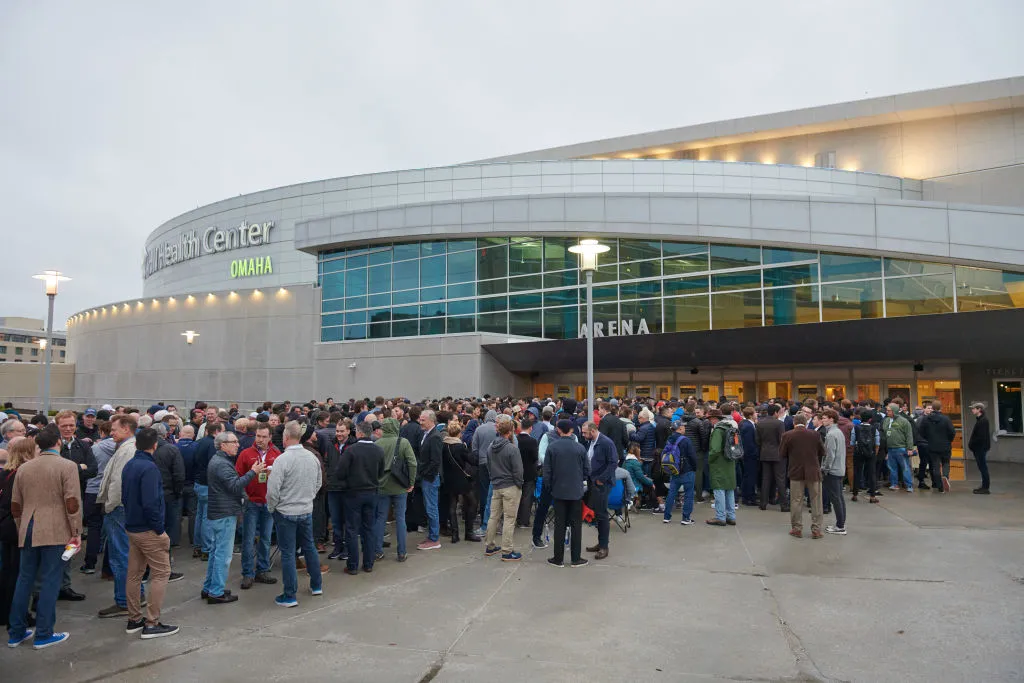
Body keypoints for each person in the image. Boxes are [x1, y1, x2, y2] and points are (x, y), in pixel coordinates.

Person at [7, 426, 81, 649]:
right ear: (58, 442)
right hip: (55, 528)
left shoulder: (25, 468)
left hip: (28, 526)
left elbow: (16, 504)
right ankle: (44, 633)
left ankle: (16, 632)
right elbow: (72, 503)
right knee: (50, 580)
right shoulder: (68, 466)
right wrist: (75, 532)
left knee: (24, 579)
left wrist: (21, 527)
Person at [121, 427, 178, 639]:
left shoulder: (130, 465)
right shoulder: (149, 468)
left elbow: (126, 496)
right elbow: (151, 503)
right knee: (161, 573)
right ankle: (152, 623)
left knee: (134, 574)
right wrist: (160, 530)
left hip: (132, 526)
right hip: (148, 529)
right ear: (154, 445)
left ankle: (134, 618)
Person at [266, 421, 323, 607]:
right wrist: (307, 498)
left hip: (286, 512)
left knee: (288, 553)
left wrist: (272, 507)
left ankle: (289, 595)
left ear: (286, 437)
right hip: (305, 510)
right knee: (309, 547)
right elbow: (318, 482)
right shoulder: (312, 457)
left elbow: (273, 490)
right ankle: (316, 585)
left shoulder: (282, 460)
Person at [203, 430, 263, 604]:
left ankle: (210, 587)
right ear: (223, 445)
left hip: (219, 513)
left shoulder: (220, 461)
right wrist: (253, 472)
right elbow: (235, 485)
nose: (238, 444)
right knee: (223, 554)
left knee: (216, 552)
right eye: (234, 442)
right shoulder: (222, 463)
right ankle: (216, 591)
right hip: (224, 513)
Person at [96, 414, 144, 619]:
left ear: (127, 429)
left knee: (121, 556)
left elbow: (117, 483)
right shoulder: (128, 447)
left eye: (114, 429)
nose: (111, 432)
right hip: (123, 508)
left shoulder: (128, 450)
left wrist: (109, 505)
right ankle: (135, 596)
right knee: (128, 555)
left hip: (119, 509)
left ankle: (125, 601)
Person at [236, 424, 280, 589]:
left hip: (269, 503)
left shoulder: (276, 454)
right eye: (258, 436)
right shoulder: (246, 454)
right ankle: (248, 573)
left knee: (266, 538)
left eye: (263, 437)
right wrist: (244, 496)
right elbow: (238, 477)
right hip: (251, 503)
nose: (260, 440)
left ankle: (262, 570)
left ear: (270, 437)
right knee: (248, 540)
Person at [338, 420, 385, 574]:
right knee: (369, 528)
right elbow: (381, 472)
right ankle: (369, 563)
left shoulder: (351, 451)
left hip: (353, 493)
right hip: (372, 492)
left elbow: (341, 472)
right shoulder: (378, 450)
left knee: (352, 529)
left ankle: (352, 565)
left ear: (358, 432)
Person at [544, 419, 589, 568]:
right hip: (575, 491)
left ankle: (558, 558)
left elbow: (547, 472)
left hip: (558, 491)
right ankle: (576, 558)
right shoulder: (580, 448)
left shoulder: (552, 447)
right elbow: (586, 471)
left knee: (559, 524)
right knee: (576, 525)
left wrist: (550, 487)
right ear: (571, 430)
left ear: (559, 430)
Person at [1, 437, 35, 628]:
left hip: (5, 526)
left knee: (7, 571)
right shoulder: (23, 475)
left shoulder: (6, 472)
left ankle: (5, 612)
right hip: (17, 526)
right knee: (19, 573)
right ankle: (17, 615)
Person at [376, 417, 418, 561]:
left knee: (380, 518)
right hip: (400, 486)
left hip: (382, 486)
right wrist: (411, 482)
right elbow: (412, 463)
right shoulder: (403, 442)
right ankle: (401, 552)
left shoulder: (377, 443)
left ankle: (377, 550)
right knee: (400, 518)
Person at [483, 419, 524, 562]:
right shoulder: (512, 448)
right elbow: (518, 470)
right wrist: (519, 484)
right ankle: (507, 551)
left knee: (493, 516)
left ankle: (489, 545)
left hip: (496, 486)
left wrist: (494, 479)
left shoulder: (490, 447)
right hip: (510, 486)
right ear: (510, 431)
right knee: (509, 519)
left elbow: (488, 466)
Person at [782, 414, 826, 539]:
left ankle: (797, 528)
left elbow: (782, 453)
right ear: (806, 422)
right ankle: (816, 529)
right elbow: (823, 451)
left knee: (796, 500)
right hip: (813, 471)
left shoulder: (787, 435)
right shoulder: (815, 434)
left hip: (796, 471)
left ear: (794, 423)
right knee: (816, 500)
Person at [80, 420, 115, 574]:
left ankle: (90, 563)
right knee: (112, 528)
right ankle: (109, 566)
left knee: (94, 526)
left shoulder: (94, 449)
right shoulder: (122, 448)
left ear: (101, 432)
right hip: (111, 491)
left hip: (93, 489)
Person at [582, 421, 616, 560]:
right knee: (597, 514)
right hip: (593, 482)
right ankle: (601, 543)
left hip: (602, 483)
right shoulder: (591, 442)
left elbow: (613, 462)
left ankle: (604, 547)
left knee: (602, 515)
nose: (583, 435)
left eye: (585, 432)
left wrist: (601, 479)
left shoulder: (606, 443)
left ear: (593, 431)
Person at [440, 421, 477, 545]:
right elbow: (470, 460)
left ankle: (455, 534)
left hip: (449, 479)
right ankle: (469, 532)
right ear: (459, 433)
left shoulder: (444, 445)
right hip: (461, 478)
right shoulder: (460, 446)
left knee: (452, 505)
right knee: (471, 502)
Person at [191, 421, 223, 560]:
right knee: (207, 518)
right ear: (216, 431)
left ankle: (198, 545)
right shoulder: (212, 444)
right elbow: (213, 464)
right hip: (207, 484)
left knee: (200, 515)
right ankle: (206, 548)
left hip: (199, 482)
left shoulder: (200, 442)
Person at [324, 419, 355, 560]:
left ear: (348, 431)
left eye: (342, 431)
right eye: (337, 431)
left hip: (348, 490)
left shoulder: (354, 446)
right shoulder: (330, 445)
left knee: (348, 521)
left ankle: (348, 549)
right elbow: (326, 463)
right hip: (333, 489)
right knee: (336, 521)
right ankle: (338, 547)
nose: (339, 434)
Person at [416, 410, 443, 551]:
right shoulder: (427, 434)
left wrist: (424, 474)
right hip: (427, 477)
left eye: (423, 420)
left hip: (430, 478)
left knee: (432, 508)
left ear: (431, 420)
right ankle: (432, 536)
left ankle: (434, 539)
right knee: (430, 507)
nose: (420, 422)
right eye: (420, 420)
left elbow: (435, 461)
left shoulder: (435, 437)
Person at [705, 409, 738, 527]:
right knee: (729, 489)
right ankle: (731, 516)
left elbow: (715, 449)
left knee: (719, 489)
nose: (709, 422)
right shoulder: (731, 427)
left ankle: (720, 517)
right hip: (730, 462)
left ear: (714, 419)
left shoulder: (718, 430)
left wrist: (709, 459)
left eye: (710, 419)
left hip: (719, 464)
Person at [662, 419, 697, 525]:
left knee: (671, 493)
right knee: (688, 494)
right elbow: (692, 456)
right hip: (687, 470)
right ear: (680, 428)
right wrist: (694, 468)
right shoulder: (686, 440)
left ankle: (667, 517)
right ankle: (685, 518)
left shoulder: (669, 439)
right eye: (684, 426)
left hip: (674, 470)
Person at [819, 409, 847, 536]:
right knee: (839, 498)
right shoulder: (838, 432)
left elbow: (830, 454)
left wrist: (825, 468)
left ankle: (840, 526)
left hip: (833, 470)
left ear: (831, 419)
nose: (822, 420)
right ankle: (840, 524)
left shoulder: (831, 434)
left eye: (825, 418)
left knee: (836, 499)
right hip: (839, 468)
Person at [918, 400, 955, 493]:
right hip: (945, 445)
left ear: (932, 408)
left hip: (932, 445)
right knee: (946, 463)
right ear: (940, 408)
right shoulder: (946, 419)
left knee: (935, 465)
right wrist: (949, 440)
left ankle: (939, 485)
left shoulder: (926, 419)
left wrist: (929, 439)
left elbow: (921, 431)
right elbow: (952, 432)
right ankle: (945, 476)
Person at [755, 404, 787, 511]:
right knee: (780, 479)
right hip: (778, 454)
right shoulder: (779, 424)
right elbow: (782, 440)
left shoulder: (760, 423)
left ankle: (763, 503)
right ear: (775, 413)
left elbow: (758, 440)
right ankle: (784, 505)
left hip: (765, 453)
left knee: (766, 479)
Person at [883, 403, 915, 493]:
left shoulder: (904, 421)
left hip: (901, 448)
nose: (887, 412)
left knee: (905, 468)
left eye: (889, 410)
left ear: (894, 411)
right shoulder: (886, 420)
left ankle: (909, 485)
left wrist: (909, 448)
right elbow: (885, 433)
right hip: (890, 449)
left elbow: (909, 435)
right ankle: (894, 484)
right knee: (892, 468)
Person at [514, 420, 538, 529]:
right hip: (529, 472)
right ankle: (524, 521)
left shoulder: (515, 440)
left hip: (516, 472)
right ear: (531, 428)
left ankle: (516, 518)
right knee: (527, 497)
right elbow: (534, 457)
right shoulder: (532, 441)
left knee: (516, 496)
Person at [738, 406, 760, 507]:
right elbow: (748, 443)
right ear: (751, 415)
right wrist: (755, 453)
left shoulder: (745, 424)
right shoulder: (749, 426)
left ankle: (746, 496)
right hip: (750, 456)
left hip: (747, 455)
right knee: (750, 476)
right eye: (755, 413)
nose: (757, 414)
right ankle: (749, 497)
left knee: (747, 475)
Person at [968, 402, 992, 494]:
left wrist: (972, 444)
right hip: (979, 448)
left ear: (979, 409)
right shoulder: (980, 420)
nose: (972, 410)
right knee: (982, 467)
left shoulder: (983, 421)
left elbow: (981, 436)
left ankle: (985, 487)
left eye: (974, 408)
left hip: (980, 448)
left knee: (983, 467)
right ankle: (984, 486)